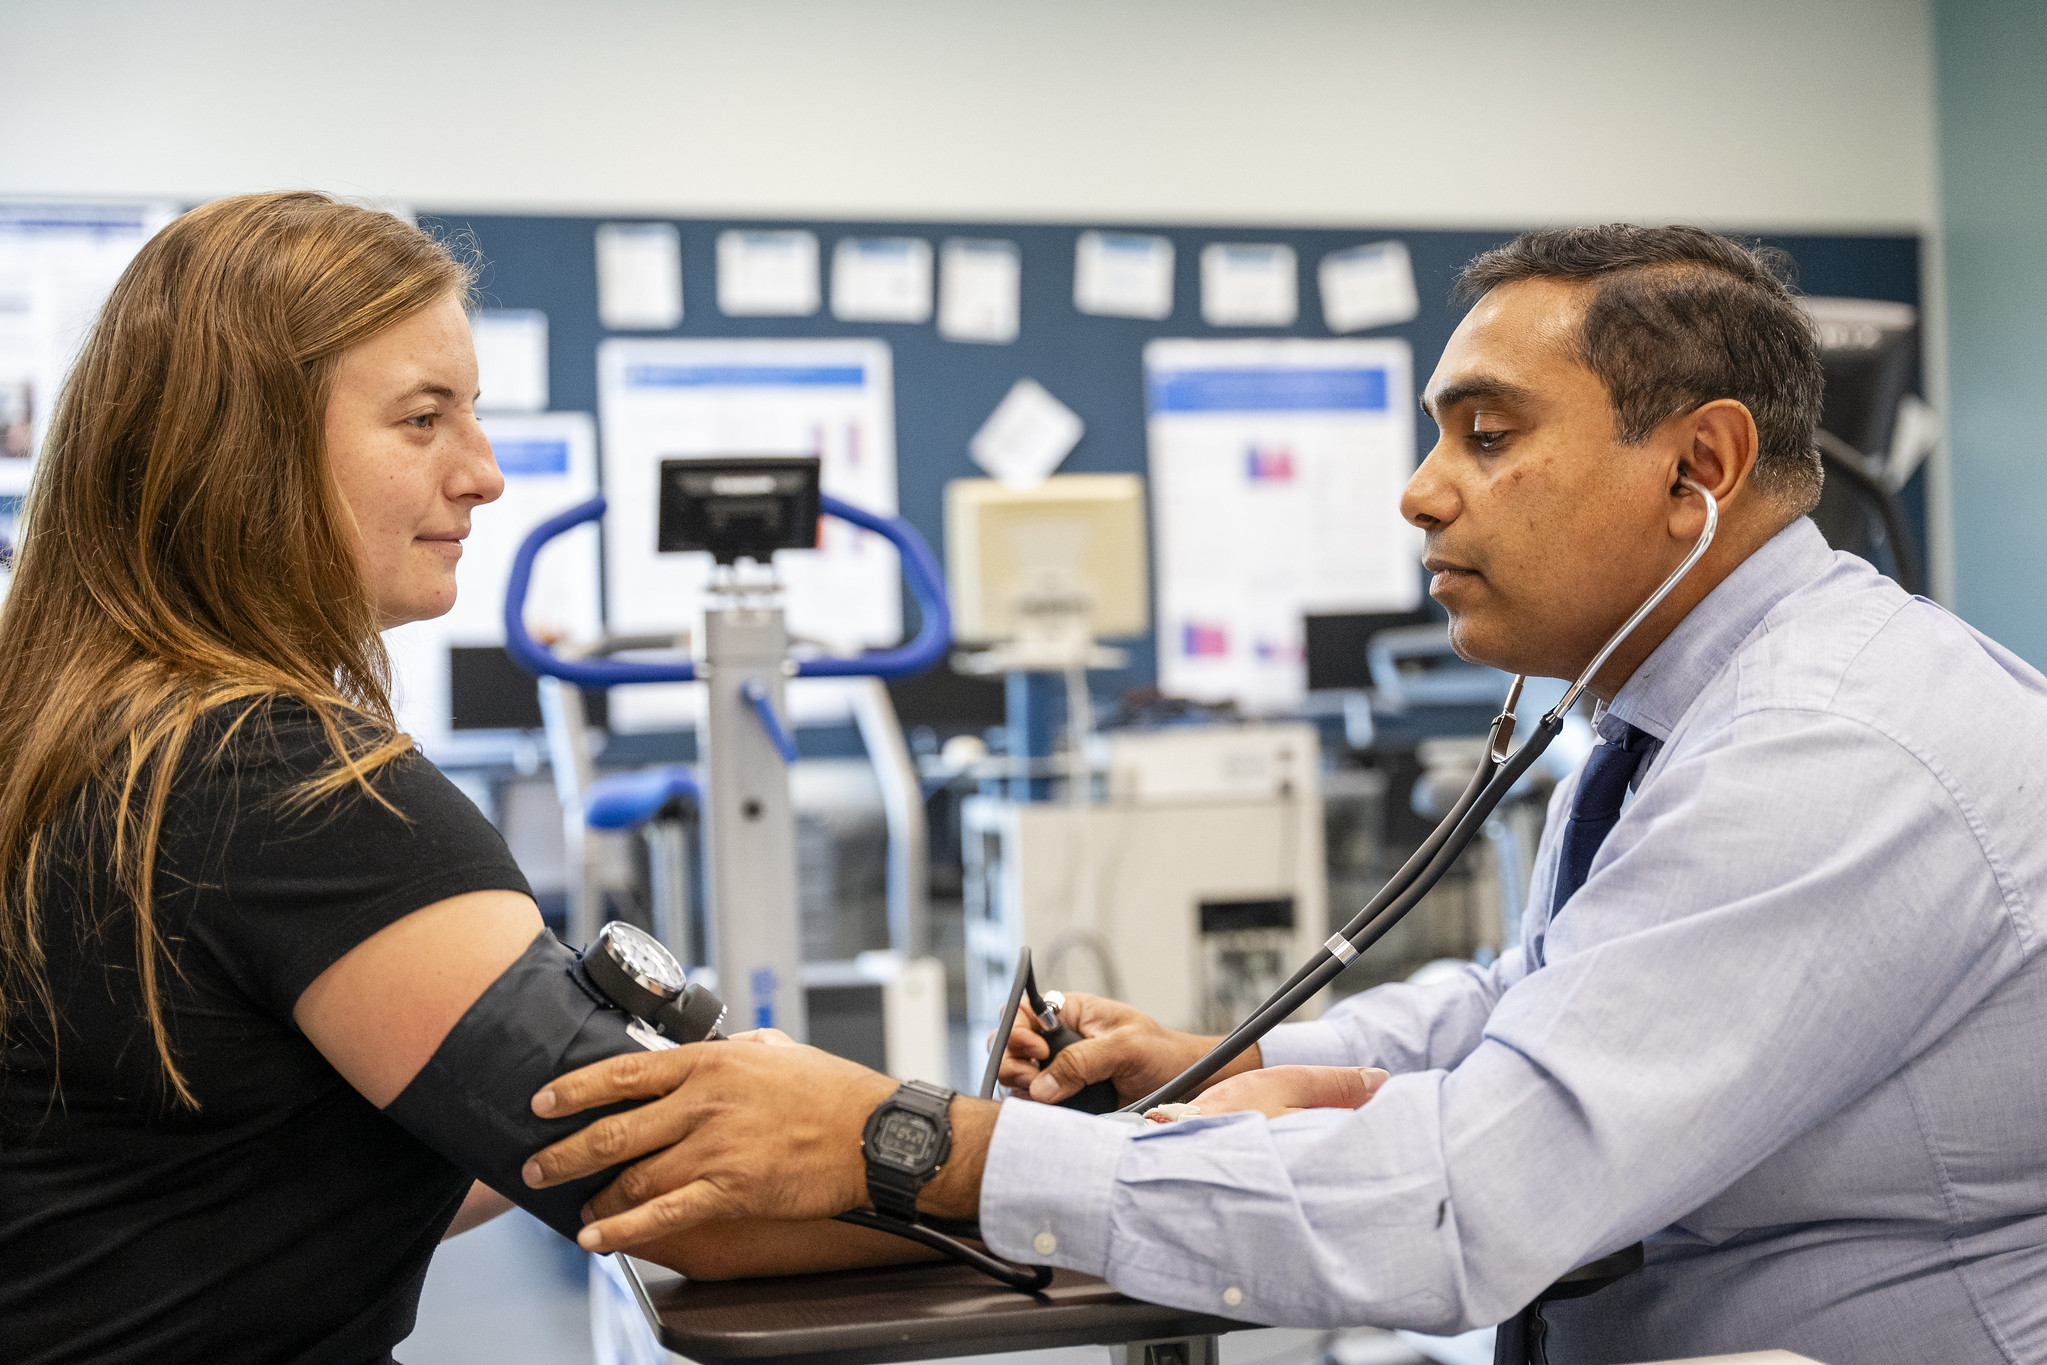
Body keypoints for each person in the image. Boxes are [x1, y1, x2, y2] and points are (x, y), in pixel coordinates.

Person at [515, 225, 2047, 1365]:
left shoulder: (1831, 748)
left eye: (1487, 433)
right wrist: (1230, 1055)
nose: (1416, 486)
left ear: (1694, 466)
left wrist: (917, 1143)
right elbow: (1537, 998)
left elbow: (1461, 1205)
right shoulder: (1695, 706)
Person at [0, 192, 912, 1365]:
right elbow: (705, 1203)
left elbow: (242, 1164)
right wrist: (1076, 1165)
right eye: (423, 419)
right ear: (248, 450)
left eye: (471, 415)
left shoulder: (82, 734)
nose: (481, 473)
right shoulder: (277, 782)